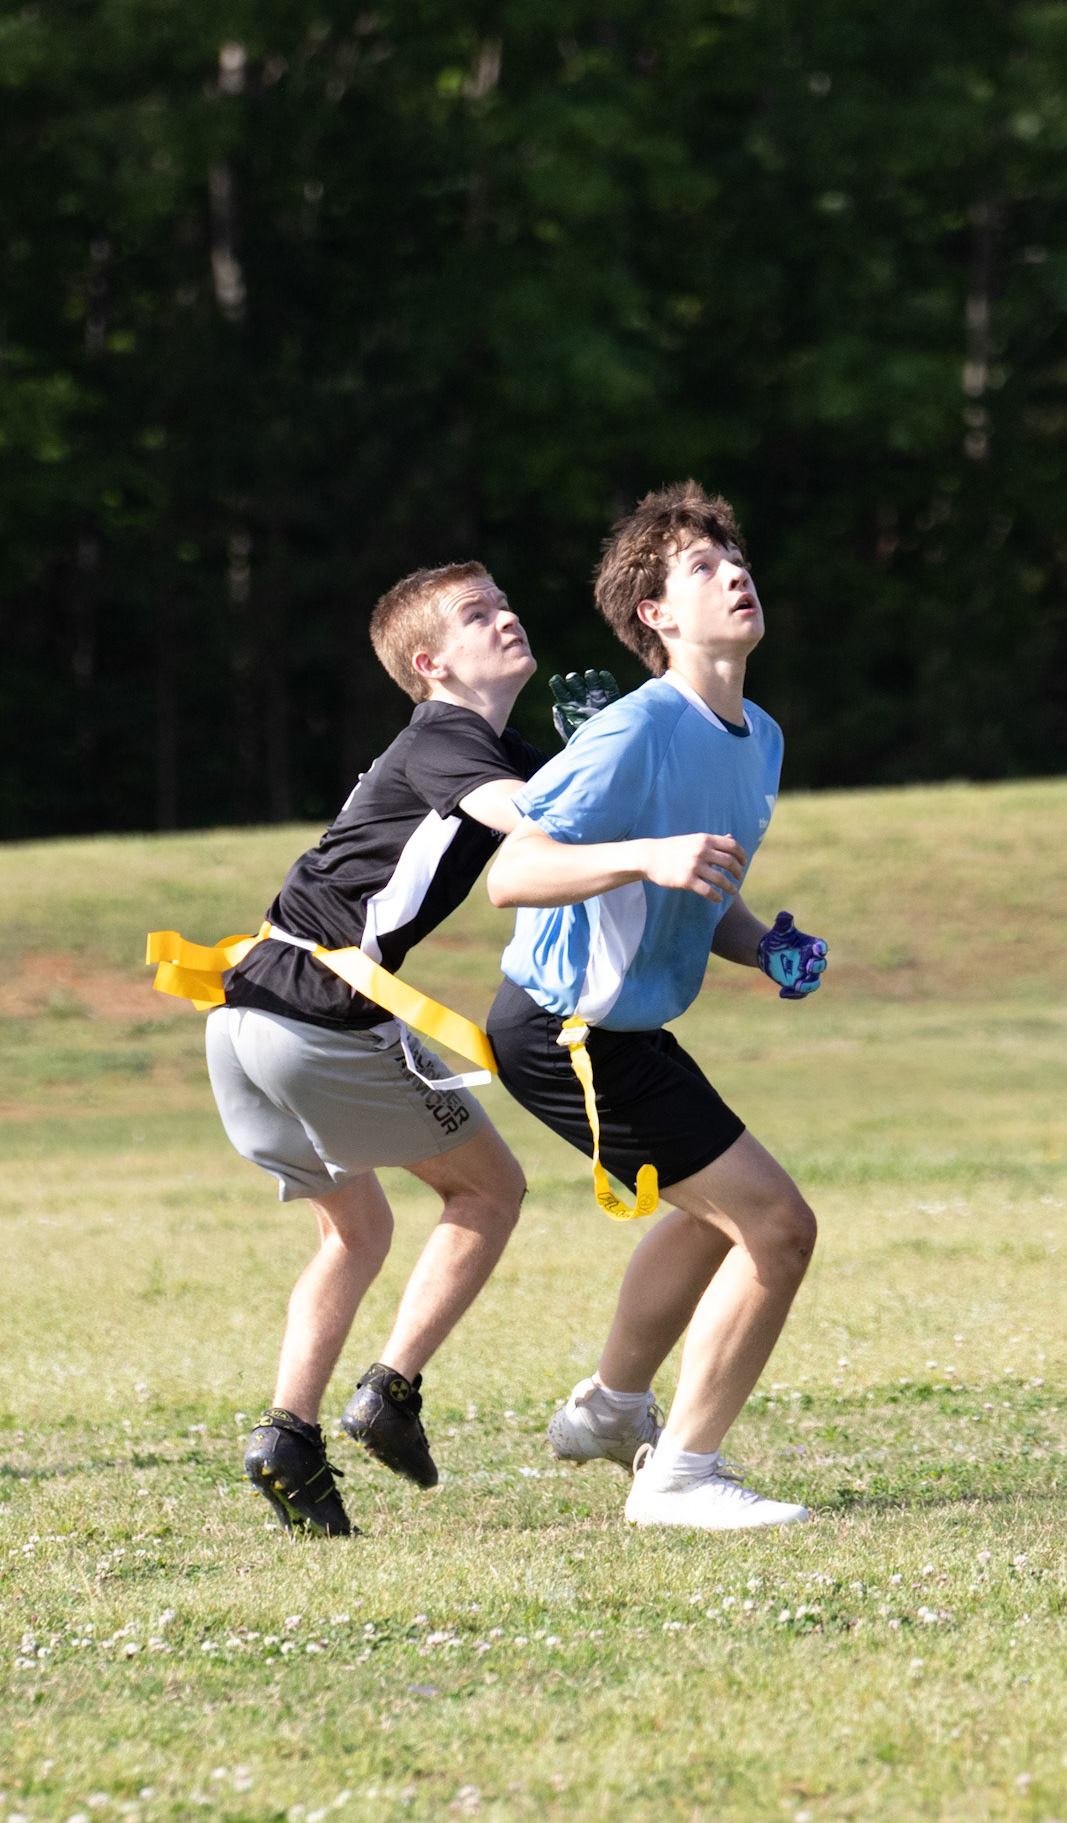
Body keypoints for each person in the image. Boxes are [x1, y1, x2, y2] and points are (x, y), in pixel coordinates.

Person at [485, 483, 828, 1531]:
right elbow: (512, 872)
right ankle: (677, 1477)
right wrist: (647, 853)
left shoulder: (757, 737)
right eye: (700, 566)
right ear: (655, 615)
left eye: (734, 556)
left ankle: (607, 1410)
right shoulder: (633, 729)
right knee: (776, 1227)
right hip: (563, 1031)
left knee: (717, 1219)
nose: (734, 573)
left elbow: (697, 890)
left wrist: (762, 944)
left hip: (626, 1032)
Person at [205, 561, 545, 1538]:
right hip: (317, 1018)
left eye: (503, 601)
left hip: (242, 1014)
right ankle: (389, 1393)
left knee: (353, 1232)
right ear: (431, 664)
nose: (505, 617)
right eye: (477, 613)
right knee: (488, 1191)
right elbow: (530, 817)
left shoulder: (484, 745)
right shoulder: (445, 736)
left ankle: (286, 1435)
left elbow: (558, 790)